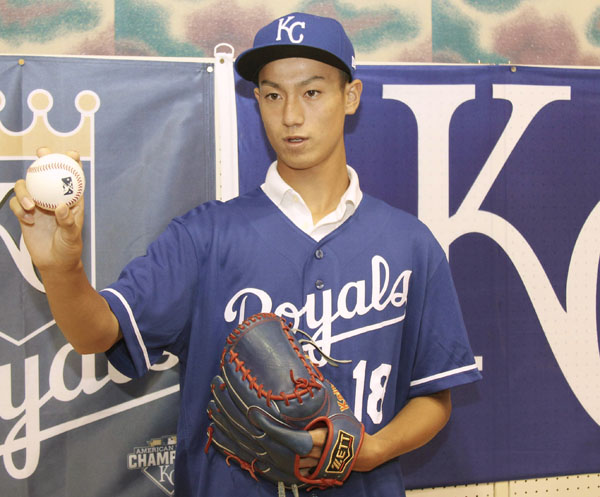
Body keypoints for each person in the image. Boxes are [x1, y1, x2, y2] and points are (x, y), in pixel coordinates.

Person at [10, 12, 481, 497]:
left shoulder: (410, 243)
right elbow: (97, 333)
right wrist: (62, 269)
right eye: (273, 95)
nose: (291, 115)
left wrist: (372, 451)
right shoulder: (204, 236)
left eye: (312, 92)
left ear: (350, 97)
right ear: (257, 101)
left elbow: (434, 397)